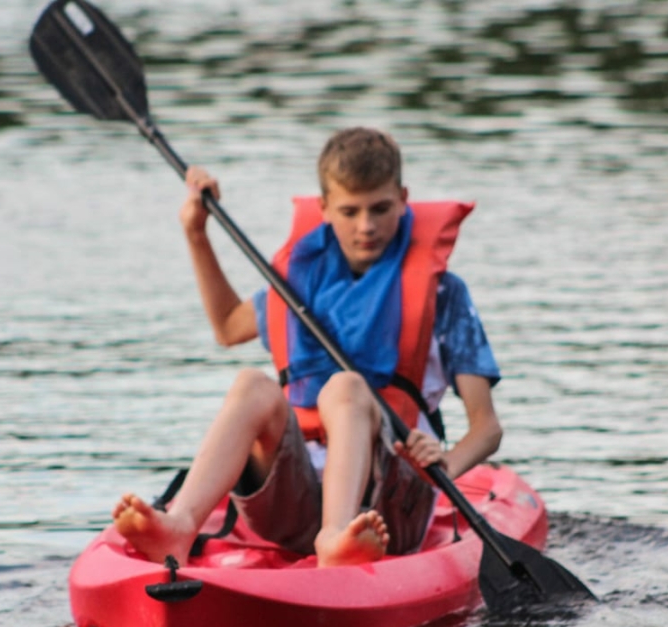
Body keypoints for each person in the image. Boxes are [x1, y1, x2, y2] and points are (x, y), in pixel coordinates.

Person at [113, 127, 502, 568]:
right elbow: (226, 328)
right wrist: (197, 233)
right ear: (323, 209)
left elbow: (486, 427)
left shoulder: (444, 294)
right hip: (289, 500)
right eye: (349, 211)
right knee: (252, 384)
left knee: (346, 389)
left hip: (389, 506)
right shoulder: (298, 282)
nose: (366, 226)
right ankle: (180, 523)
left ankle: (336, 536)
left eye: (380, 208)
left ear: (403, 198)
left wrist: (448, 464)